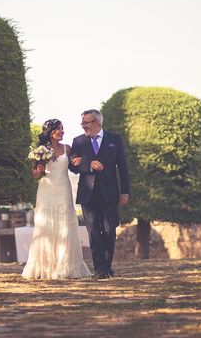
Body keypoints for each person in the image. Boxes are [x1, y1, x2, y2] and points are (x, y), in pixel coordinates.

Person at [22, 119, 92, 280]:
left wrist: (78, 161)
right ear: (50, 132)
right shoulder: (41, 150)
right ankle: (45, 266)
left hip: (63, 189)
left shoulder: (67, 148)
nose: (62, 131)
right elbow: (35, 174)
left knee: (65, 225)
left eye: (62, 129)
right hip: (46, 190)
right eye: (58, 129)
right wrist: (39, 170)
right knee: (45, 224)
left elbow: (74, 168)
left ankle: (65, 265)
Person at [69, 109, 130, 279]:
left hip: (110, 193)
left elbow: (123, 167)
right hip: (88, 194)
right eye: (82, 123)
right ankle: (99, 270)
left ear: (97, 122)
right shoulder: (78, 141)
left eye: (86, 123)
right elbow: (73, 167)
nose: (83, 126)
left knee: (110, 230)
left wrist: (125, 191)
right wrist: (88, 164)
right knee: (93, 231)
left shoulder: (114, 139)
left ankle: (107, 266)